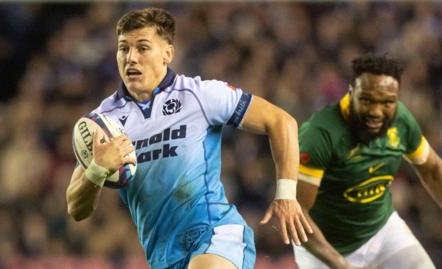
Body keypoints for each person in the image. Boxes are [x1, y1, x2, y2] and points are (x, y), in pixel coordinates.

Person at [66, 7, 312, 269]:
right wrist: (97, 170)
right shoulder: (103, 122)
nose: (131, 58)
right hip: (163, 256)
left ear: (168, 54)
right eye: (124, 48)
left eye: (143, 48)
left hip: (216, 234)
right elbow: (75, 208)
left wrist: (286, 194)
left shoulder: (201, 95)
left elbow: (281, 121)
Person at [292, 54, 442, 269]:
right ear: (351, 92)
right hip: (326, 248)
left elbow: (432, 169)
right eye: (367, 100)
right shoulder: (321, 134)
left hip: (382, 230)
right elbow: (296, 214)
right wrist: (340, 264)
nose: (376, 112)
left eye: (387, 102)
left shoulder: (400, 120)